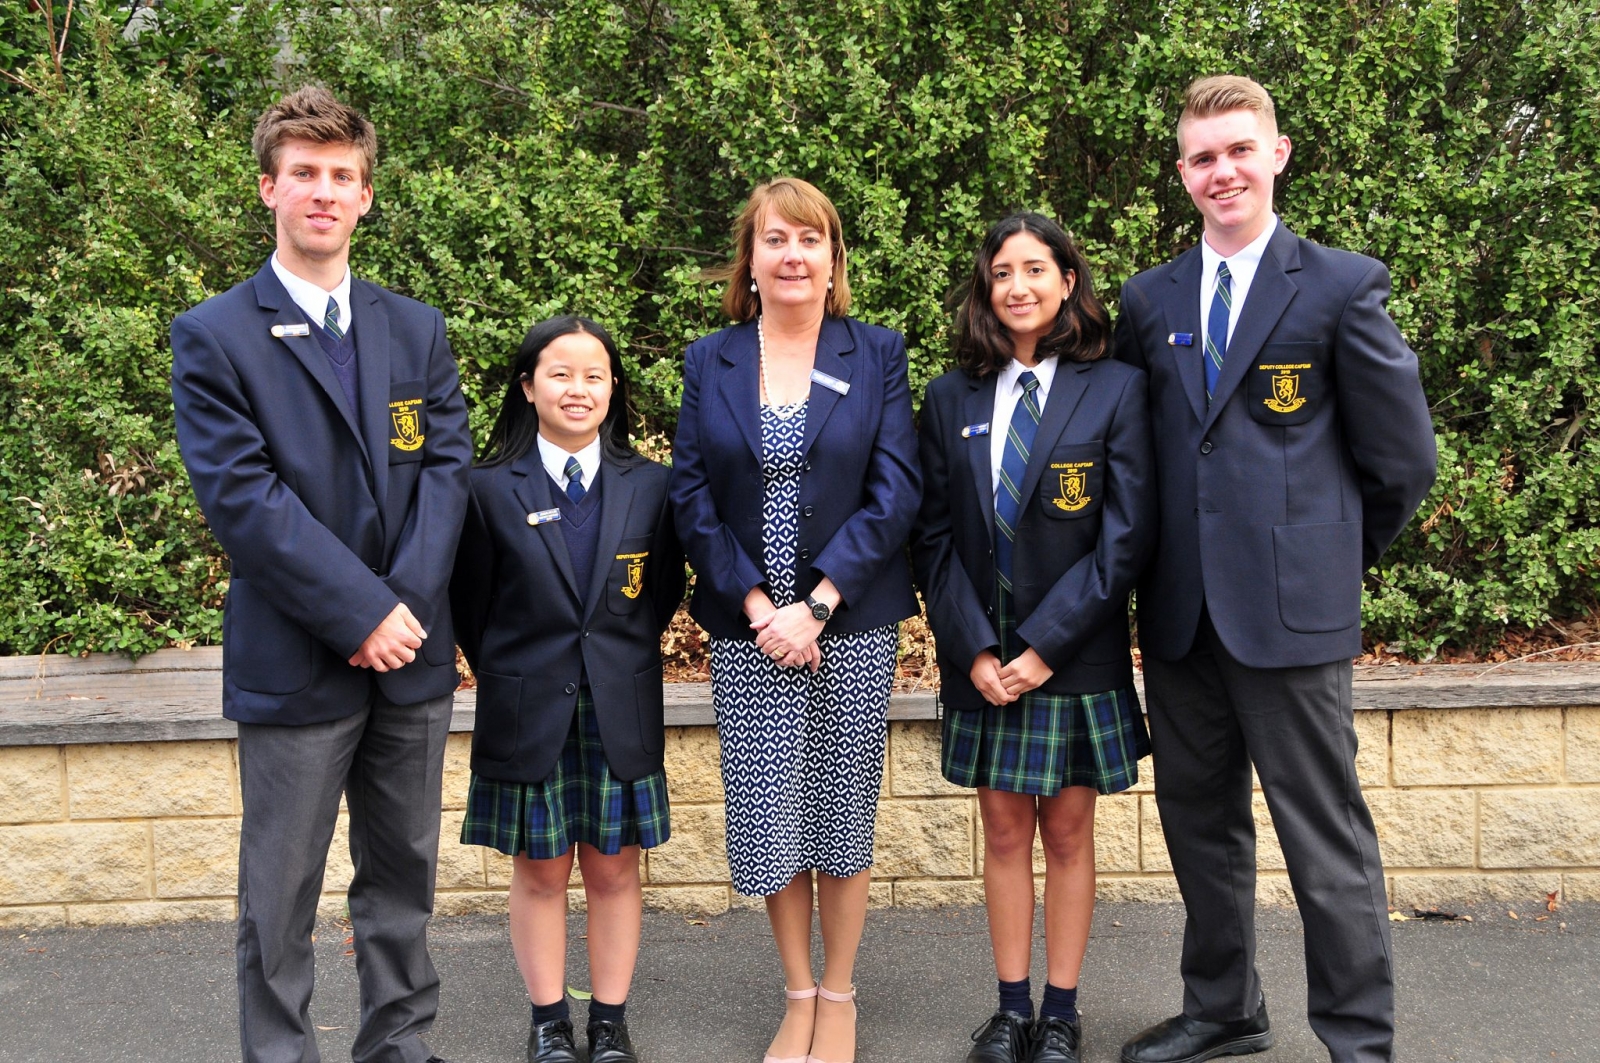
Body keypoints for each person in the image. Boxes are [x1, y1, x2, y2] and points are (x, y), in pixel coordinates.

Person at [1113, 75, 1437, 1063]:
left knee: (1322, 837)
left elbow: (1402, 459)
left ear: (1278, 154)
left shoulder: (1339, 286)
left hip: (1293, 616)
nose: (1223, 172)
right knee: (1199, 825)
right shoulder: (1149, 299)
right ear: (1183, 173)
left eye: (1239, 150)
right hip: (1181, 615)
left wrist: (1326, 560)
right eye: (1203, 157)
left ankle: (1359, 1039)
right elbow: (1145, 452)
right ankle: (1223, 1009)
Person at [170, 86, 471, 1063]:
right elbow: (245, 503)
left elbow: (447, 473)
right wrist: (359, 611)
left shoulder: (415, 329)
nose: (324, 192)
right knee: (280, 893)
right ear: (269, 187)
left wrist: (401, 609)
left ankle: (398, 1045)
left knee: (403, 879)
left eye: (343, 175)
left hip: (411, 657)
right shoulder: (214, 335)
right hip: (298, 659)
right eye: (304, 173)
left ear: (366, 196)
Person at [668, 177, 921, 1063]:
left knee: (841, 813)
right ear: (750, 259)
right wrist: (757, 607)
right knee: (772, 817)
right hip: (751, 632)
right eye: (775, 239)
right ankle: (799, 993)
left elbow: (895, 491)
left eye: (810, 240)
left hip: (847, 623)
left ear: (833, 258)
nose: (792, 255)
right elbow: (692, 495)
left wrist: (815, 605)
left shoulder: (876, 352)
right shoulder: (711, 360)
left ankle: (840, 994)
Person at [910, 213, 1154, 1063]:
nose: (1018, 286)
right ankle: (1011, 1011)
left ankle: (1061, 1015)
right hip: (982, 654)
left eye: (1035, 269)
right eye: (1002, 273)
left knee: (1069, 834)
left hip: (1074, 653)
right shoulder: (950, 397)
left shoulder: (1116, 387)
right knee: (1005, 832)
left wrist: (1044, 647)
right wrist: (974, 648)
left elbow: (1125, 537)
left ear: (1067, 281)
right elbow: (932, 538)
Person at [450, 316, 684, 1063]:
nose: (577, 389)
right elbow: (471, 606)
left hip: (619, 703)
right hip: (527, 707)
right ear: (528, 387)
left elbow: (660, 593)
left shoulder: (653, 485)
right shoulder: (486, 489)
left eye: (594, 375)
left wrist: (607, 655)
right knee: (541, 870)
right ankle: (549, 1023)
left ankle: (609, 1024)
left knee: (614, 868)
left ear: (613, 388)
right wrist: (521, 667)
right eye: (559, 374)